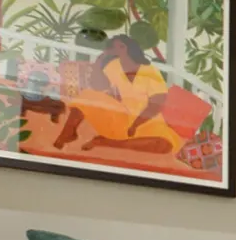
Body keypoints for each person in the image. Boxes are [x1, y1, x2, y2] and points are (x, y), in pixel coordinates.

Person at [48, 34, 183, 156]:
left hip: (147, 122)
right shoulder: (114, 65)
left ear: (130, 48)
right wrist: (100, 60)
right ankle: (68, 133)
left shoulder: (150, 71)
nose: (119, 50)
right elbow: (98, 86)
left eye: (121, 46)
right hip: (122, 116)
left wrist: (135, 125)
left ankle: (105, 142)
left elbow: (156, 104)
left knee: (164, 145)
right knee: (87, 95)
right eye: (115, 47)